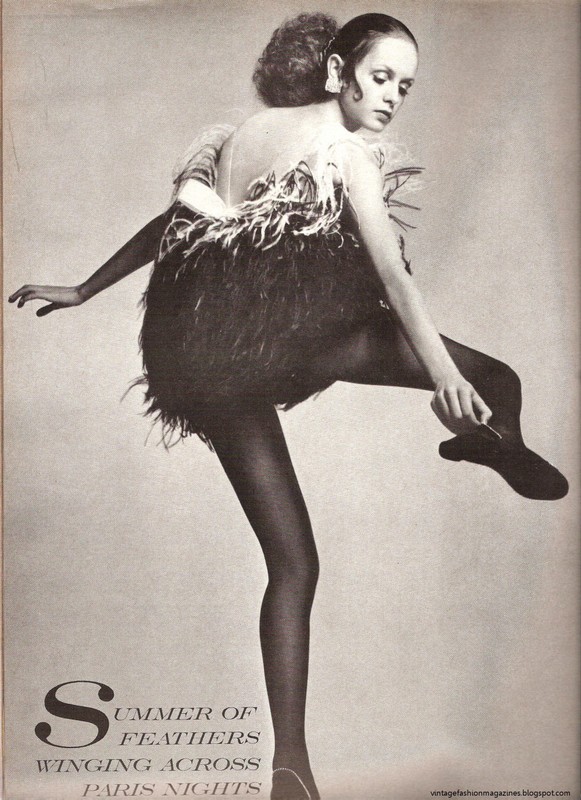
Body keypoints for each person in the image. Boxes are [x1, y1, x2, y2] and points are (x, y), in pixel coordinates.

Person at [9, 12, 568, 800]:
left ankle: (290, 765)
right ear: (336, 71)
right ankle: (488, 437)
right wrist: (442, 375)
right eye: (380, 78)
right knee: (496, 381)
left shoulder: (243, 134)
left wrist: (83, 288)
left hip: (206, 358)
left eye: (405, 87)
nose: (391, 97)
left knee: (294, 565)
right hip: (297, 341)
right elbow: (392, 280)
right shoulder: (346, 153)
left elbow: (175, 223)